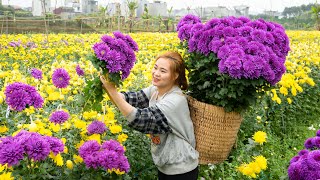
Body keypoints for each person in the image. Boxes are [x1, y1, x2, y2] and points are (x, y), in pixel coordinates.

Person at [100, 51, 199, 179]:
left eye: (163, 71)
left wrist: (112, 90)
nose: (156, 73)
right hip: (166, 165)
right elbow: (129, 99)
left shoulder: (175, 101)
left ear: (175, 75)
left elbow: (140, 120)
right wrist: (107, 83)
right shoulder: (155, 90)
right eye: (155, 67)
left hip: (182, 169)